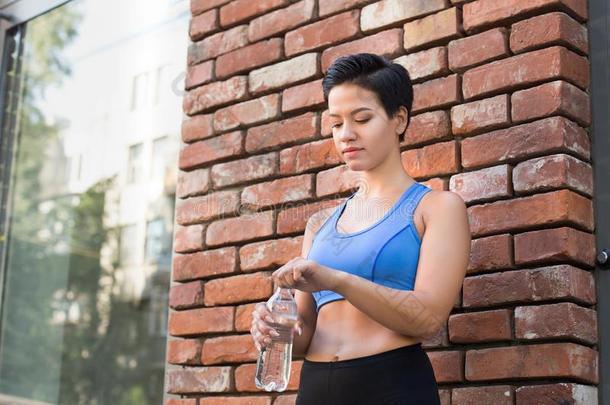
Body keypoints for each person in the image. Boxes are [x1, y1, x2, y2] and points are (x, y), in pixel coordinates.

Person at [250, 53, 471, 404]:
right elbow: (303, 339)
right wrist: (278, 329)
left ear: (399, 119)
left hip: (392, 385)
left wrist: (336, 279)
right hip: (316, 389)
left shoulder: (438, 208)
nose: (346, 135)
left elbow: (428, 319)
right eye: (336, 124)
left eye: (362, 119)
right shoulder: (319, 225)